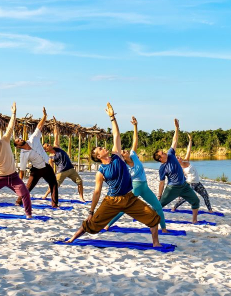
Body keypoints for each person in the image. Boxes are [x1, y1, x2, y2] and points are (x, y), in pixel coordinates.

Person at [67, 103, 162, 246]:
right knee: (92, 224)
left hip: (130, 198)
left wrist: (112, 117)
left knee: (153, 217)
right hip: (111, 201)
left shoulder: (117, 155)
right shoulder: (101, 172)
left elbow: (116, 134)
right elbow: (97, 192)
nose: (103, 148)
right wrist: (91, 211)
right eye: (100, 149)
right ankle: (72, 238)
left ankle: (156, 243)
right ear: (98, 156)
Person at [108, 116, 167, 231]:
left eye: (125, 150)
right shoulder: (123, 166)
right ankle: (108, 224)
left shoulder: (134, 155)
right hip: (135, 188)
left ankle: (164, 228)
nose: (125, 151)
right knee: (123, 208)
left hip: (145, 187)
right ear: (123, 158)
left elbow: (135, 140)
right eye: (123, 152)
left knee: (158, 207)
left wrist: (135, 126)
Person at [0, 102, 33, 219]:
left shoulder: (4, 140)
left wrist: (13, 113)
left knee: (25, 194)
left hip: (13, 177)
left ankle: (28, 214)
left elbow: (10, 127)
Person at [153, 119, 200, 224]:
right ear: (160, 159)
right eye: (162, 153)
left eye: (163, 152)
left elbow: (174, 141)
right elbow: (162, 182)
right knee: (159, 205)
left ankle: (194, 220)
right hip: (172, 188)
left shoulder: (171, 154)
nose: (165, 153)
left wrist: (177, 128)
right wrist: (159, 195)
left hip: (184, 186)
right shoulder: (162, 168)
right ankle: (151, 218)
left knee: (196, 201)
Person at [15, 108, 59, 208]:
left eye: (20, 138)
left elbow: (39, 127)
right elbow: (22, 169)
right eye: (18, 140)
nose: (20, 139)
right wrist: (19, 181)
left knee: (53, 184)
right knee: (28, 187)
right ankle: (18, 201)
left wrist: (44, 116)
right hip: (36, 170)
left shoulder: (33, 138)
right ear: (17, 146)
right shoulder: (23, 154)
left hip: (47, 167)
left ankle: (54, 204)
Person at [169, 134, 214, 213]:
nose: (179, 157)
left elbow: (189, 150)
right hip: (190, 184)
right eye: (177, 158)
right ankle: (174, 207)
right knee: (185, 198)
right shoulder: (180, 168)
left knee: (205, 195)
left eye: (179, 156)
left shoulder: (186, 160)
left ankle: (210, 210)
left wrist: (190, 140)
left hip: (197, 182)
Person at [43, 118, 85, 201]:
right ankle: (45, 195)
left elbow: (56, 136)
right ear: (46, 150)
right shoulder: (51, 157)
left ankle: (81, 197)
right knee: (54, 184)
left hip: (71, 169)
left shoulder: (57, 147)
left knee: (80, 182)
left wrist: (55, 126)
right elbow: (51, 168)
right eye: (47, 145)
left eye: (48, 144)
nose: (49, 145)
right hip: (62, 171)